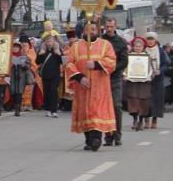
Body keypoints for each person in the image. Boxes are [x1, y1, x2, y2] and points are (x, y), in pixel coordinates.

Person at [65, 22, 117, 152]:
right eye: (88, 29)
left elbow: (112, 62)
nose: (91, 31)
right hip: (82, 87)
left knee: (96, 112)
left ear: (97, 31)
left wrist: (96, 64)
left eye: (93, 29)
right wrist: (79, 77)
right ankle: (88, 140)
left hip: (100, 87)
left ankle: (96, 139)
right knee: (84, 112)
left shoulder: (105, 45)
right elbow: (69, 63)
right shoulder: (76, 46)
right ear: (84, 31)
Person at [101, 17, 128, 146]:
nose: (109, 29)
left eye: (112, 26)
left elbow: (124, 61)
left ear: (115, 26)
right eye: (107, 26)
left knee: (116, 105)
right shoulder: (101, 40)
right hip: (102, 77)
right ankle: (107, 136)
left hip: (115, 77)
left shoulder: (121, 42)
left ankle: (117, 135)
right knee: (104, 107)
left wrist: (112, 68)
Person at [126, 37, 152, 131]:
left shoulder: (147, 57)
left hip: (144, 83)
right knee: (133, 101)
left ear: (143, 47)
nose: (138, 48)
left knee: (143, 102)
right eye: (136, 46)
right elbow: (126, 68)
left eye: (140, 46)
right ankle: (135, 119)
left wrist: (147, 76)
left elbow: (150, 69)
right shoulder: (129, 56)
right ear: (133, 47)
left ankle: (141, 120)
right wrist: (125, 75)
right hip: (132, 82)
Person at [144, 32, 169, 129]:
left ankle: (155, 118)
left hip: (158, 78)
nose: (150, 41)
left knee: (157, 99)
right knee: (146, 99)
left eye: (152, 39)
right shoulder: (143, 50)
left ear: (155, 40)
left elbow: (166, 64)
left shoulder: (160, 51)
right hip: (146, 79)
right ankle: (146, 118)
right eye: (148, 39)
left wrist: (160, 70)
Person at [37, 35, 63, 118]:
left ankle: (54, 110)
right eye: (47, 41)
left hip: (55, 74)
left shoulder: (57, 50)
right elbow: (37, 62)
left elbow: (62, 61)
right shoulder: (42, 50)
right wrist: (40, 54)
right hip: (45, 74)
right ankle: (48, 109)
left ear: (54, 42)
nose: (49, 43)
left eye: (51, 41)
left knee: (53, 91)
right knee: (47, 92)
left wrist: (58, 54)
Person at [9, 43, 30, 117]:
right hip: (12, 77)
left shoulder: (23, 56)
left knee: (19, 93)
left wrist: (23, 65)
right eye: (14, 47)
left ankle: (17, 110)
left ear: (19, 49)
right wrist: (10, 65)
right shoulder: (9, 56)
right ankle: (15, 107)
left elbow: (28, 66)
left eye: (17, 47)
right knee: (13, 93)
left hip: (21, 77)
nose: (15, 49)